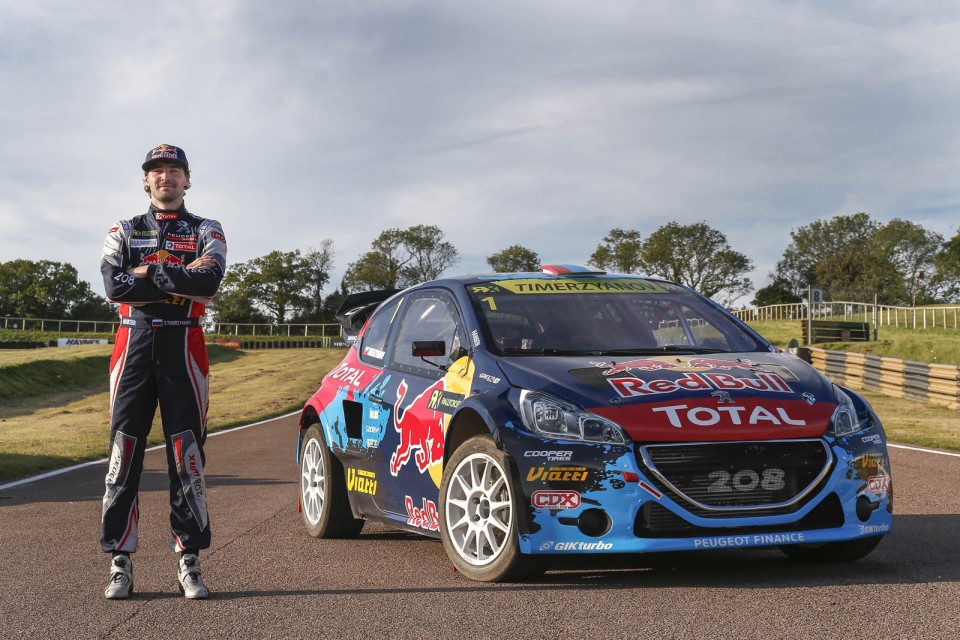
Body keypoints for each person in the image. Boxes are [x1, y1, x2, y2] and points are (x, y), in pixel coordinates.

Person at [99, 144, 227, 600]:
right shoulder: (123, 228)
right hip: (131, 345)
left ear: (187, 180)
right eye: (157, 171)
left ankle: (188, 561)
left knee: (186, 454)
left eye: (174, 170)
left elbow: (209, 281)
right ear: (146, 181)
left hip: (184, 346)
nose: (165, 177)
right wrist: (175, 273)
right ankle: (119, 562)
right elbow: (114, 286)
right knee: (123, 454)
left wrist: (146, 274)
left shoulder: (206, 228)